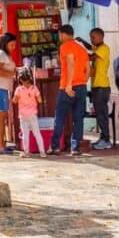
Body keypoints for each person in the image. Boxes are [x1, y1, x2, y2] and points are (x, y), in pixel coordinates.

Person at [48, 24, 91, 156]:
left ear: (62, 34)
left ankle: (55, 146)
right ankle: (75, 148)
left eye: (59, 35)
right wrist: (83, 82)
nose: (59, 37)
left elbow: (71, 63)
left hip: (67, 87)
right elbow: (89, 69)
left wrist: (69, 84)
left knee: (60, 117)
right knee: (78, 118)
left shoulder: (66, 46)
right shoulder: (82, 48)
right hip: (82, 86)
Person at [77, 28, 112, 149]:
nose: (92, 40)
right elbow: (90, 47)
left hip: (102, 87)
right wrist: (82, 41)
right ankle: (103, 138)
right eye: (90, 37)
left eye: (93, 37)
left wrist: (76, 51)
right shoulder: (97, 47)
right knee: (99, 114)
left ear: (101, 37)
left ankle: (106, 139)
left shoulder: (104, 49)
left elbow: (91, 57)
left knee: (102, 114)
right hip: (97, 86)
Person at [0, 32, 18, 153]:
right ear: (5, 44)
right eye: (12, 45)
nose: (13, 47)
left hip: (3, 88)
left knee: (2, 116)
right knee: (1, 116)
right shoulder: (0, 54)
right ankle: (0, 146)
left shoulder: (6, 55)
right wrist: (13, 75)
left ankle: (1, 143)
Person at [13, 72, 46, 158]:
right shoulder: (34, 88)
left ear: (20, 80)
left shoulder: (18, 89)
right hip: (32, 114)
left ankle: (26, 152)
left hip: (23, 115)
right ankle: (42, 152)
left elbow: (15, 101)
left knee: (25, 134)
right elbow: (40, 100)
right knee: (37, 133)